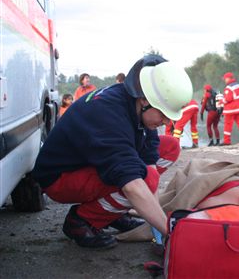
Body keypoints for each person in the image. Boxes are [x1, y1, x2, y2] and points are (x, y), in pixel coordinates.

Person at [32, 54, 192, 249]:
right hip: (60, 177)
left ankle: (112, 214)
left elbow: (150, 161)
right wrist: (173, 234)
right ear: (144, 99)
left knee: (169, 148)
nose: (167, 122)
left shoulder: (136, 106)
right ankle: (81, 221)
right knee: (143, 179)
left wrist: (154, 216)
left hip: (90, 163)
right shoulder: (108, 113)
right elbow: (134, 184)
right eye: (164, 114)